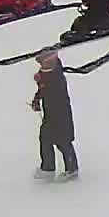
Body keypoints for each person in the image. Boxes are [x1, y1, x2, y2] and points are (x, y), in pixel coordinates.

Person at [30, 48, 78, 180]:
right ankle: (47, 168)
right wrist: (36, 99)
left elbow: (51, 90)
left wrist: (42, 82)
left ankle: (72, 169)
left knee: (63, 141)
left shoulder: (57, 75)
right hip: (49, 113)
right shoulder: (45, 74)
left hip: (61, 114)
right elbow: (42, 90)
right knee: (45, 139)